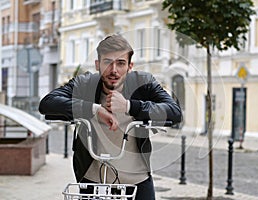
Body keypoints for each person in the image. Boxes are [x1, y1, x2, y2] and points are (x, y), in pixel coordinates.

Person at [39, 34, 182, 200]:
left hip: (137, 179)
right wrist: (94, 109)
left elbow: (174, 111)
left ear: (130, 66)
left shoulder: (144, 83)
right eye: (107, 62)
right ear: (98, 65)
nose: (114, 70)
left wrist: (129, 106)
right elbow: (47, 103)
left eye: (121, 63)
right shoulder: (85, 84)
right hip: (93, 180)